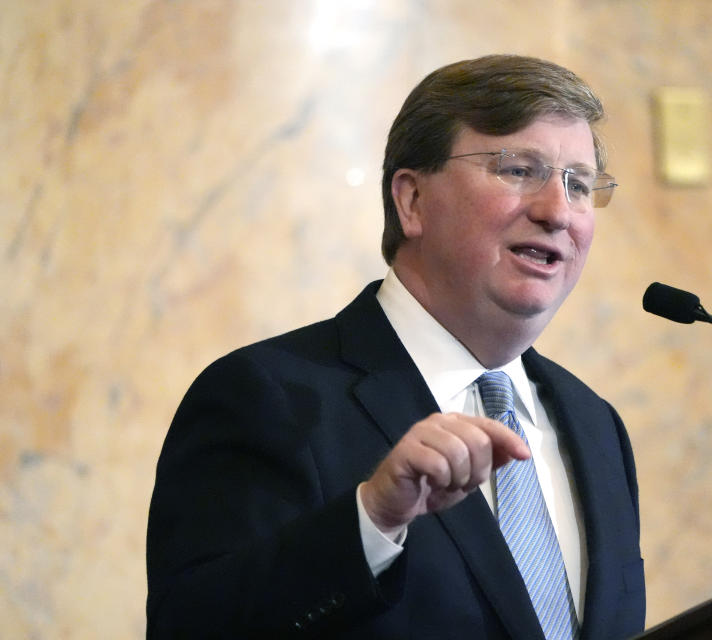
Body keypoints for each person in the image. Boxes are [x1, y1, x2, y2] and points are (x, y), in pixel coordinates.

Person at [146, 54, 646, 639]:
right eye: (518, 170)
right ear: (411, 201)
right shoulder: (268, 396)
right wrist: (370, 521)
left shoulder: (596, 425)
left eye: (579, 185)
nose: (557, 211)